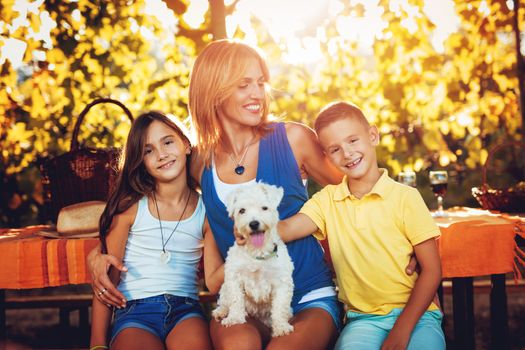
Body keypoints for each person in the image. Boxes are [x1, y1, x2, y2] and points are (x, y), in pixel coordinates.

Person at [88, 39, 418, 350]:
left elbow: (361, 189)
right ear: (214, 91)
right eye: (243, 84)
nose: (257, 93)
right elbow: (143, 199)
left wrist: (403, 238)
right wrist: (97, 255)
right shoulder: (199, 161)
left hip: (307, 297)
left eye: (260, 82)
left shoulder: (293, 140)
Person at [276, 101, 445, 350]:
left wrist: (401, 330)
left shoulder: (406, 197)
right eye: (335, 149)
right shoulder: (327, 200)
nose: (347, 153)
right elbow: (288, 229)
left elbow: (432, 271)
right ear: (326, 156)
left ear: (373, 135)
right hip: (363, 320)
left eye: (353, 141)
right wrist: (252, 228)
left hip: (418, 317)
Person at [89, 111, 212, 350]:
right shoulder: (131, 208)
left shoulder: (206, 210)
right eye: (148, 150)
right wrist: (97, 345)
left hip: (186, 311)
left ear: (186, 144)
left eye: (167, 142)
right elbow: (106, 282)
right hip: (134, 312)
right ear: (141, 161)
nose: (161, 154)